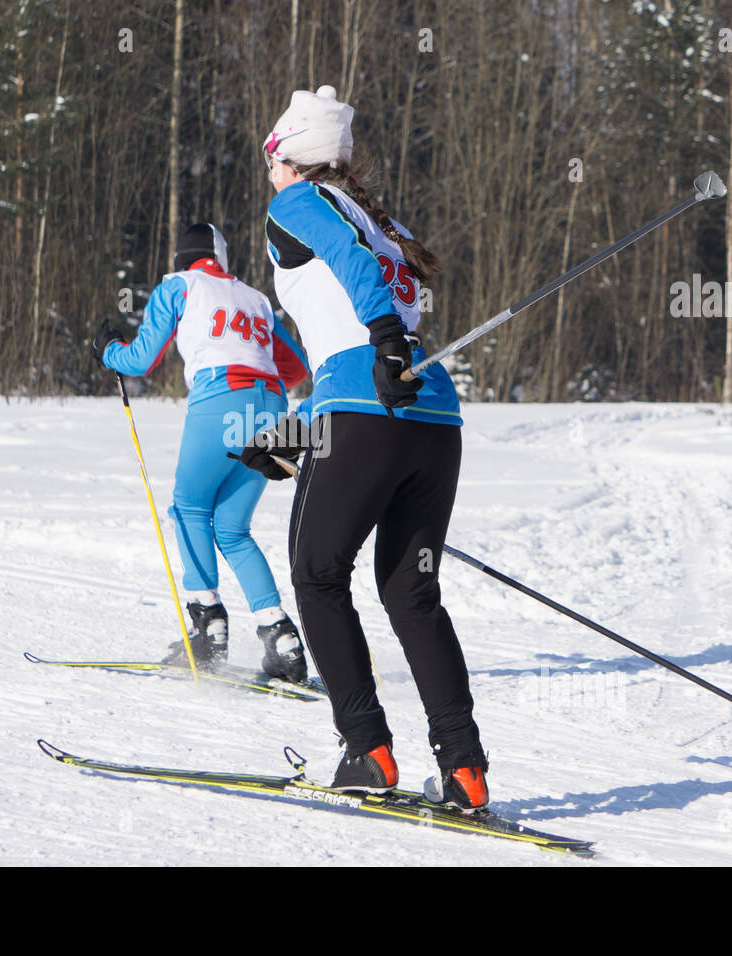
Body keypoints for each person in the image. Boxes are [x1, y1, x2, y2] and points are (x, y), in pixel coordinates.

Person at [240, 86, 488, 809]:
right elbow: (352, 315)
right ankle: (464, 770)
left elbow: (353, 283)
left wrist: (380, 345)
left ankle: (367, 751)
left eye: (272, 161)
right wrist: (298, 430)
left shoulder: (298, 205)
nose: (270, 177)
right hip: (428, 413)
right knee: (412, 595)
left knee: (317, 575)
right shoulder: (382, 220)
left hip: (368, 403)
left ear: (288, 157)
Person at [93, 223, 312, 682]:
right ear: (223, 258)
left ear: (182, 257)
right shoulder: (255, 297)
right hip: (271, 407)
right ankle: (281, 638)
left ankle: (207, 628)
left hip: (220, 400)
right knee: (232, 528)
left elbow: (140, 360)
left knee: (189, 506)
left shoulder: (179, 286)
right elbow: (294, 367)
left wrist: (108, 350)